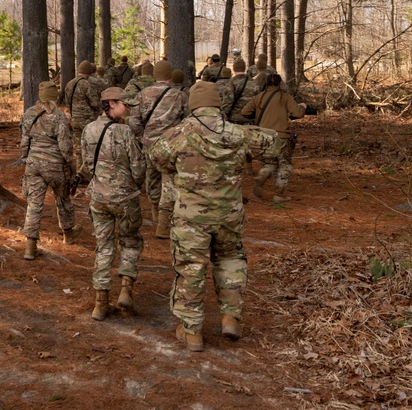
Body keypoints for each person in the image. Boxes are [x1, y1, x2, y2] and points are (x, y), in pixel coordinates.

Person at [149, 81, 282, 352]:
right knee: (230, 259)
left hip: (191, 218)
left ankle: (192, 331)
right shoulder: (237, 133)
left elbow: (156, 158)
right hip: (229, 215)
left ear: (193, 106)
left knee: (190, 268)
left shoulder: (178, 134)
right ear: (217, 105)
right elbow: (274, 143)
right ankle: (230, 316)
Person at [80, 87, 146, 319]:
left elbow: (87, 164)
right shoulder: (125, 132)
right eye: (123, 104)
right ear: (110, 104)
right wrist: (135, 184)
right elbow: (138, 167)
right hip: (126, 198)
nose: (127, 108)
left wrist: (100, 182)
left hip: (99, 198)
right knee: (130, 241)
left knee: (104, 246)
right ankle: (126, 289)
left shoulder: (88, 130)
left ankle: (100, 303)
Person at [128, 59, 188, 238]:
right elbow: (187, 120)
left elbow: (134, 121)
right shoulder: (179, 96)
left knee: (151, 177)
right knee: (169, 182)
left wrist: (141, 136)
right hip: (171, 146)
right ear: (170, 76)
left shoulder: (143, 94)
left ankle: (154, 208)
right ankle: (164, 222)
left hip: (149, 144)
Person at [19, 81, 77, 260]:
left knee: (34, 204)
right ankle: (68, 233)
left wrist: (25, 158)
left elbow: (24, 140)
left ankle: (30, 246)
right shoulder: (59, 116)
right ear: (55, 96)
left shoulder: (29, 113)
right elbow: (65, 145)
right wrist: (70, 163)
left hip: (34, 164)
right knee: (63, 198)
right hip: (54, 165)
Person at [241, 73, 306, 203]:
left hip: (263, 138)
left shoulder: (259, 97)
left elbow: (244, 112)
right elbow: (298, 113)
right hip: (281, 137)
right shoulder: (285, 97)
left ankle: (262, 176)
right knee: (285, 165)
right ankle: (279, 194)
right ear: (280, 83)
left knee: (270, 162)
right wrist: (303, 107)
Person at [64, 60, 107, 172]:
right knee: (92, 146)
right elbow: (95, 103)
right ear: (88, 72)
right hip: (88, 121)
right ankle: (91, 172)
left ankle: (80, 172)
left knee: (78, 149)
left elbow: (67, 103)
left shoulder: (69, 84)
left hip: (74, 119)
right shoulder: (86, 84)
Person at [222, 58, 261, 124]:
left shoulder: (232, 82)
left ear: (234, 69)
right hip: (250, 118)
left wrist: (223, 115)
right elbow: (258, 100)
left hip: (235, 119)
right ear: (244, 68)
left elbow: (228, 101)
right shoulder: (254, 83)